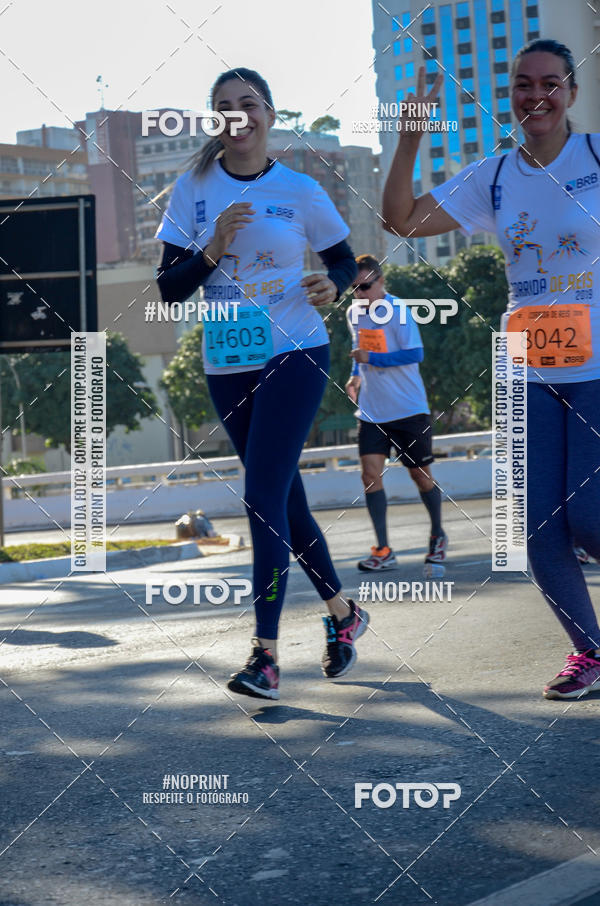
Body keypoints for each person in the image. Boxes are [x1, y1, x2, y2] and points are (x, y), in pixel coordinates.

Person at [382, 40, 600, 699]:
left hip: (597, 369)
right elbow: (400, 219)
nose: (538, 95)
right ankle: (590, 654)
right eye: (522, 84)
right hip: (527, 370)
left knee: (589, 519)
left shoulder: (595, 157)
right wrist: (409, 139)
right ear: (509, 96)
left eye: (552, 83)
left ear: (571, 93)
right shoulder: (495, 177)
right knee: (539, 528)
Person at [154, 68, 369, 700]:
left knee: (261, 498)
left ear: (269, 114)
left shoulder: (299, 189)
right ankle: (343, 614)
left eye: (248, 104)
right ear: (214, 119)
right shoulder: (190, 188)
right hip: (226, 357)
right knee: (284, 501)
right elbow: (168, 289)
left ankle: (266, 654)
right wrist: (214, 247)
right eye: (224, 107)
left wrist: (335, 284)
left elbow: (342, 259)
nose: (237, 114)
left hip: (296, 350)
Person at [345, 254, 447, 573]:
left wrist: (372, 359)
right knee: (369, 475)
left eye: (365, 286)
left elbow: (415, 353)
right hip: (372, 411)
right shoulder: (353, 312)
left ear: (381, 282)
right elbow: (359, 351)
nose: (360, 294)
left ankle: (438, 534)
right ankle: (384, 550)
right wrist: (355, 373)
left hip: (408, 409)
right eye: (354, 288)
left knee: (420, 476)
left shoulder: (398, 311)